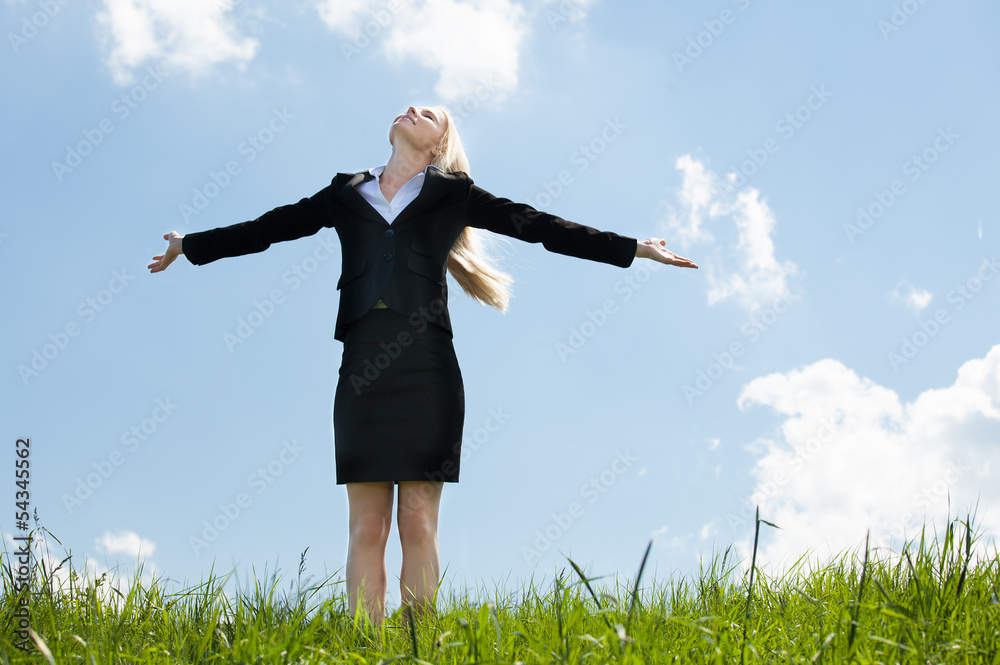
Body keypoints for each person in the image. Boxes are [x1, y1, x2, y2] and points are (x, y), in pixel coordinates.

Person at [148, 104, 697, 629]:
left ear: (439, 144)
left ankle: (417, 644)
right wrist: (188, 244)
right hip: (362, 364)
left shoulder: (453, 194)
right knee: (367, 525)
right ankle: (364, 644)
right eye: (410, 107)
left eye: (428, 114)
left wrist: (633, 248)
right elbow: (269, 227)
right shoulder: (343, 192)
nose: (413, 110)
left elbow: (538, 225)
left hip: (428, 366)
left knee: (416, 521)